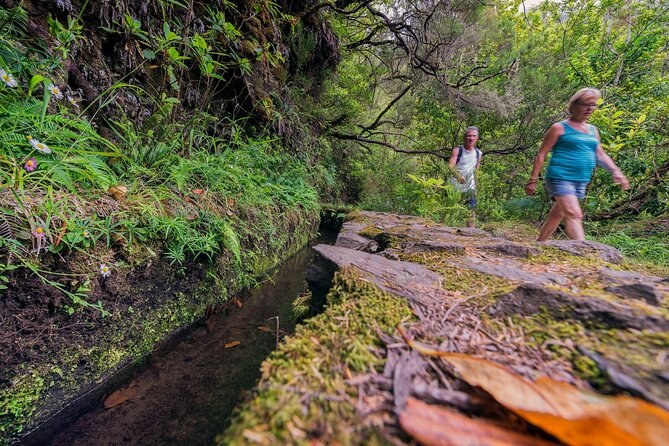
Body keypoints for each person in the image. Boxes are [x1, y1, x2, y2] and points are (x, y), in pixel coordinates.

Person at [525, 88, 629, 241]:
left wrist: (615, 171)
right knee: (574, 214)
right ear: (574, 106)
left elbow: (599, 154)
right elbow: (541, 154)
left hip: (580, 180)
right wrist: (533, 180)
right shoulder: (559, 128)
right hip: (560, 177)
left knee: (557, 214)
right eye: (586, 104)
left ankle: (539, 245)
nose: (590, 109)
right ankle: (584, 252)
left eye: (593, 105)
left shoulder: (593, 130)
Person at [449, 126, 483, 228]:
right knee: (452, 210)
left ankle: (471, 232)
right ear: (464, 137)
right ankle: (447, 231)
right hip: (455, 187)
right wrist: (458, 176)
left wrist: (477, 187)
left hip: (470, 187)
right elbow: (450, 166)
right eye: (469, 136)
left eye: (474, 136)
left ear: (477, 138)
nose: (471, 138)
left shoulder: (478, 153)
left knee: (471, 211)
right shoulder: (457, 150)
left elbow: (476, 172)